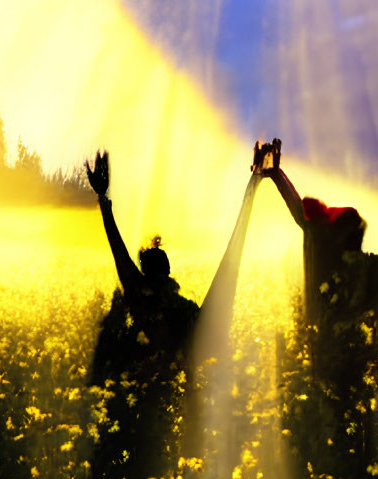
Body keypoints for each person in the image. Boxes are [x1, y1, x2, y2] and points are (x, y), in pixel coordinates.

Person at [258, 136, 378, 402]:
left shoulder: (324, 258)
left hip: (324, 374)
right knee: (361, 429)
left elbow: (300, 213)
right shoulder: (373, 269)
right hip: (363, 379)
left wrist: (276, 174)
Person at [86, 150, 253, 385]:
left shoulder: (137, 291)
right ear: (167, 271)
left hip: (140, 382)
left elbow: (117, 247)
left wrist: (103, 198)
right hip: (171, 385)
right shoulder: (180, 307)